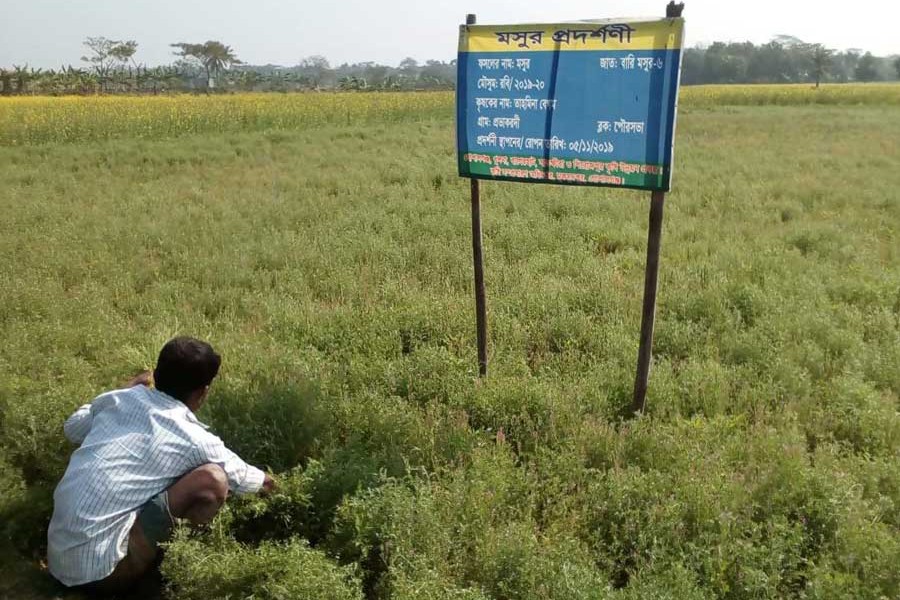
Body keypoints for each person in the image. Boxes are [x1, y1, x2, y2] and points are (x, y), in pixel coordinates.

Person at [47, 336, 275, 593]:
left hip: (58, 555)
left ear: (155, 374)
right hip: (102, 574)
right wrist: (285, 487)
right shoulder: (194, 439)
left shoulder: (118, 400)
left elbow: (73, 428)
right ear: (203, 392)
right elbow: (251, 481)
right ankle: (166, 575)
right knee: (212, 479)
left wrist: (127, 387)